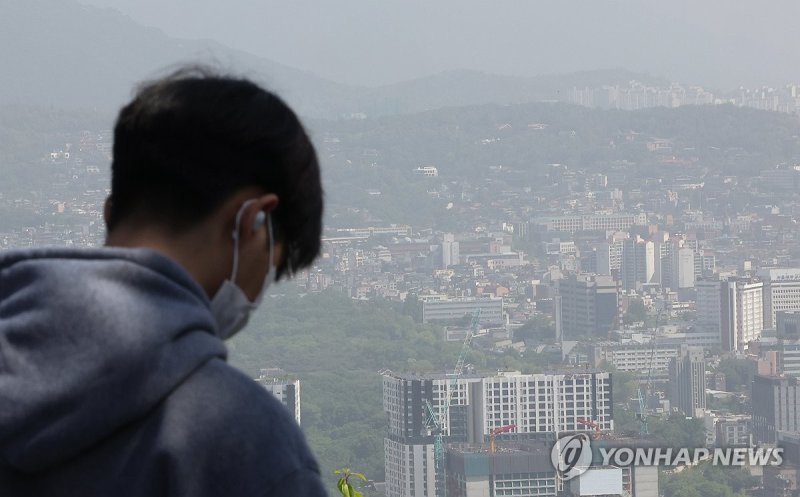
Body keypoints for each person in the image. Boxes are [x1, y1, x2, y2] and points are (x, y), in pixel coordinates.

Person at [0, 67, 326, 496]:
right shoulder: (242, 443)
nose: (256, 294)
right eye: (271, 268)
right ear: (251, 222)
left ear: (111, 213)